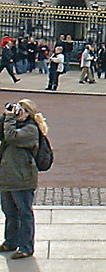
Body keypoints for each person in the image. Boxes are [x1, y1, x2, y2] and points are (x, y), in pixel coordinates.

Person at [0, 99, 48, 259]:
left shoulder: (30, 130)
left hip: (22, 179)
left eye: (22, 110)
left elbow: (11, 137)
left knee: (24, 213)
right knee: (9, 212)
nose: (19, 113)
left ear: (29, 114)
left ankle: (26, 247)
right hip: (6, 178)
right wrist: (6, 116)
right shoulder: (13, 124)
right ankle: (10, 242)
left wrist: (10, 119)